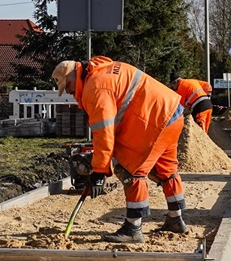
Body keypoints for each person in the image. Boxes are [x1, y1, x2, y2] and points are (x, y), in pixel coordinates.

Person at [52, 57, 187, 244]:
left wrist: (99, 172)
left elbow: (104, 134)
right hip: (172, 113)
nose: (68, 91)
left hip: (153, 120)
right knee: (166, 170)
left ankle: (133, 228)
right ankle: (175, 219)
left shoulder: (95, 88)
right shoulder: (103, 71)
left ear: (73, 75)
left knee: (130, 169)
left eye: (67, 86)